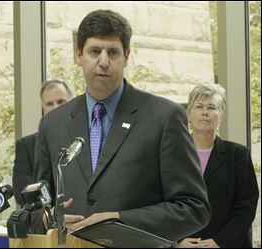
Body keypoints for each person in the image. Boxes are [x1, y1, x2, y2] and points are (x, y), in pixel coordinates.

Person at [34, 9, 211, 242]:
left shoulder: (165, 117)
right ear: (79, 55)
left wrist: (119, 220)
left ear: (126, 56)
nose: (104, 62)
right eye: (95, 51)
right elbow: (33, 207)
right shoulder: (52, 124)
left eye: (113, 52)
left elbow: (194, 208)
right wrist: (48, 218)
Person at [178, 83, 259, 248]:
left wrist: (220, 242)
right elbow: (160, 201)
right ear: (189, 114)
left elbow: (246, 206)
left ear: (220, 117)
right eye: (199, 106)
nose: (205, 112)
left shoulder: (238, 155)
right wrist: (176, 241)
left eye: (212, 107)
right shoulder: (172, 153)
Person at [12, 80, 73, 206]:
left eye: (61, 101)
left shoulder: (86, 139)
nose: (56, 107)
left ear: (72, 102)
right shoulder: (26, 146)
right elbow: (21, 194)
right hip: (46, 221)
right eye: (49, 104)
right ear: (43, 108)